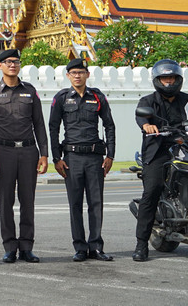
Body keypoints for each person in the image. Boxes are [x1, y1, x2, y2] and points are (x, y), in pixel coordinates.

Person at [0, 48, 48, 264]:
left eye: (16, 62)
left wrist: (44, 154)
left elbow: (39, 124)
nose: (13, 65)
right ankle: (10, 246)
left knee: (28, 202)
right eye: (9, 62)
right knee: (6, 202)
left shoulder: (30, 91)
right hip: (2, 153)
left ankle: (27, 247)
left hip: (29, 152)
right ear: (0, 65)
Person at [48, 58, 116, 262]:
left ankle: (96, 246)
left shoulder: (97, 96)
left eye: (81, 72)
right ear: (68, 76)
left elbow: (109, 125)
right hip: (72, 158)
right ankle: (79, 247)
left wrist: (110, 155)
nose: (77, 76)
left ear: (87, 75)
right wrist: (56, 158)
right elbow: (53, 128)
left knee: (96, 203)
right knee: (75, 204)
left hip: (95, 157)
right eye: (73, 73)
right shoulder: (61, 98)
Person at [133, 59, 188, 262]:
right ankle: (141, 244)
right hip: (158, 151)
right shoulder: (147, 102)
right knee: (152, 191)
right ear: (158, 80)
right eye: (165, 78)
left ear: (178, 79)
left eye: (172, 78)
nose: (169, 82)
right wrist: (147, 126)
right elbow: (141, 118)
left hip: (185, 148)